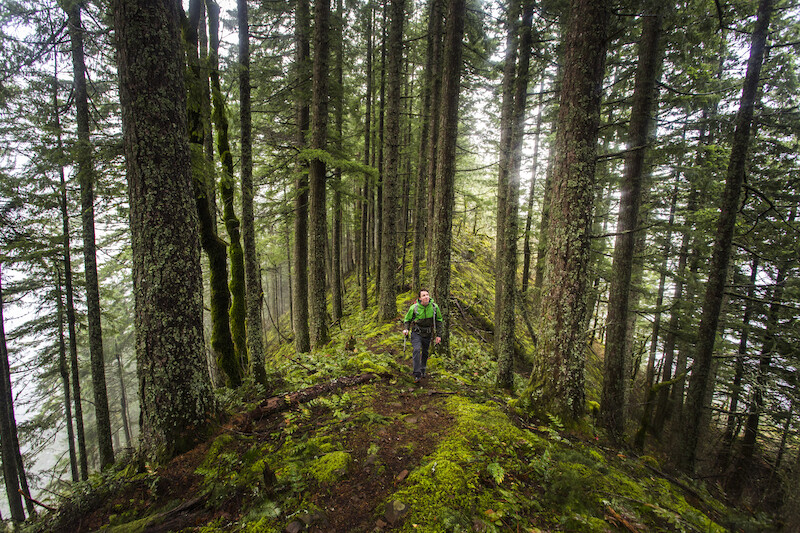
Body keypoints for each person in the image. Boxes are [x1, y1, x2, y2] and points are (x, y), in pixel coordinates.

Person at [402, 289, 443, 383]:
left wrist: (438, 335)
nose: (426, 297)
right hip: (417, 333)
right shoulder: (414, 308)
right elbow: (407, 319)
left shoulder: (434, 307)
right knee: (416, 350)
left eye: (427, 295)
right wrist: (406, 329)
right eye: (424, 295)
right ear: (420, 298)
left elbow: (439, 321)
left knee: (425, 351)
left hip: (428, 333)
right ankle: (417, 373)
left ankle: (423, 369)